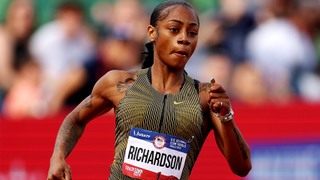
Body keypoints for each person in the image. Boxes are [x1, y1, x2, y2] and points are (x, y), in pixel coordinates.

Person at [47, 0, 252, 179]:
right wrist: (58, 156)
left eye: (193, 33)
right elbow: (75, 119)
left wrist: (227, 118)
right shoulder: (117, 83)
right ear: (152, 33)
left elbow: (242, 168)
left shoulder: (206, 96)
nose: (184, 39)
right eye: (174, 29)